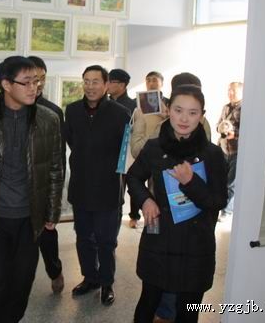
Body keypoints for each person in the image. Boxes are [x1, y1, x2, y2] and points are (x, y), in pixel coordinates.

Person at [0, 56, 63, 323]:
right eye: (26, 82)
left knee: (22, 281)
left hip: (29, 218)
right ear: (6, 84)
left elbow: (56, 168)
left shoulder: (49, 119)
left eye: (36, 81)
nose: (34, 87)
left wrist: (52, 211)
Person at [126, 85, 227, 323]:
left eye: (193, 113)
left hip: (196, 244)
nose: (184, 119)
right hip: (160, 237)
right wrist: (145, 200)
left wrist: (191, 182)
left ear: (202, 115)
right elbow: (133, 177)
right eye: (178, 110)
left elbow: (218, 201)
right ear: (168, 110)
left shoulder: (212, 154)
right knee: (148, 302)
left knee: (188, 310)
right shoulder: (154, 147)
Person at [65, 65, 130, 305]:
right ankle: (90, 278)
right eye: (86, 81)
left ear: (105, 85)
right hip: (81, 186)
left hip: (108, 188)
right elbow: (71, 141)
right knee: (83, 238)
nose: (90, 86)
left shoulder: (120, 113)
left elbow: (125, 152)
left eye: (95, 82)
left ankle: (106, 282)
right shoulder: (72, 110)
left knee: (106, 241)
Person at [28, 55, 66, 294]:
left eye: (42, 78)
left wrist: (56, 194)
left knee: (47, 236)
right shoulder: (11, 106)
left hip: (43, 187)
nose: (38, 84)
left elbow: (59, 157)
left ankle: (55, 271)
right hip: (17, 188)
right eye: (33, 78)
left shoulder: (53, 112)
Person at [129, 71, 169, 229]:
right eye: (148, 80)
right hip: (141, 148)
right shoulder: (137, 102)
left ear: (161, 83)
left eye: (154, 80)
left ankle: (154, 223)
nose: (151, 83)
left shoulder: (169, 103)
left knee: (156, 188)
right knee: (136, 182)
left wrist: (166, 115)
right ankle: (134, 215)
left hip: (160, 151)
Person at [216, 82, 243, 219]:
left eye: (233, 90)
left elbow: (248, 129)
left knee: (232, 183)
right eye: (229, 90)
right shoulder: (225, 107)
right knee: (221, 180)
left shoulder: (245, 107)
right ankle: (221, 207)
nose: (230, 93)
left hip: (237, 151)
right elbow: (218, 124)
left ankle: (227, 211)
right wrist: (220, 129)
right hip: (223, 149)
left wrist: (234, 134)